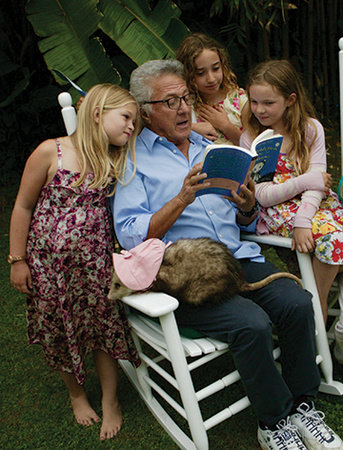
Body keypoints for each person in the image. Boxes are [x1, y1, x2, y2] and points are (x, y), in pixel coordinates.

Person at [113, 59, 343, 450]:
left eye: (185, 97)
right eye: (171, 102)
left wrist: (247, 204)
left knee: (297, 303)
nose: (185, 108)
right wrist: (182, 198)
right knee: (251, 325)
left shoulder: (211, 147)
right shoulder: (135, 162)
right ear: (147, 113)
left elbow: (246, 222)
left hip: (238, 257)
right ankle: (274, 422)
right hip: (186, 273)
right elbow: (131, 234)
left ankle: (303, 405)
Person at [9, 83, 141, 441]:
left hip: (95, 268)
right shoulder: (51, 153)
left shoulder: (112, 160)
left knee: (101, 329)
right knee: (59, 331)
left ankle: (111, 399)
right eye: (126, 117)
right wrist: (17, 260)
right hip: (48, 269)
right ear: (97, 114)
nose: (132, 126)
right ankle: (77, 394)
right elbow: (22, 206)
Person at [240, 59, 343, 365]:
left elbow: (318, 185)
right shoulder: (253, 139)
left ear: (290, 99)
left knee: (334, 237)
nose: (260, 110)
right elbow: (263, 195)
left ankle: (338, 327)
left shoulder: (310, 129)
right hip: (278, 212)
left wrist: (303, 219)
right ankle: (318, 303)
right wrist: (306, 181)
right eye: (254, 102)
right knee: (334, 240)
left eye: (269, 103)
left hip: (316, 207)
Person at [176, 32, 249, 144]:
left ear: (223, 65)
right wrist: (192, 128)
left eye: (215, 68)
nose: (211, 79)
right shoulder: (185, 105)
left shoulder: (240, 100)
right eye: (200, 73)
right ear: (188, 75)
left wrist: (226, 126)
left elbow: (253, 148)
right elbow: (167, 130)